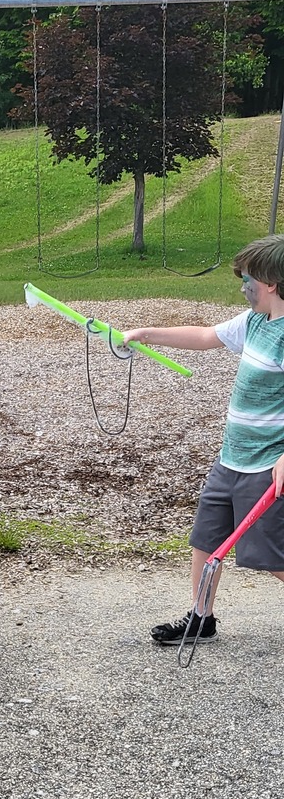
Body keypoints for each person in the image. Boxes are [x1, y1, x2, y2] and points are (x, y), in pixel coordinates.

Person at [123, 234, 284, 647]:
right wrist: (149, 333)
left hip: (267, 465)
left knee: (269, 554)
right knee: (207, 539)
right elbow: (206, 336)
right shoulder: (254, 323)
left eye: (246, 278)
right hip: (231, 458)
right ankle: (200, 617)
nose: (241, 286)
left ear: (269, 282)